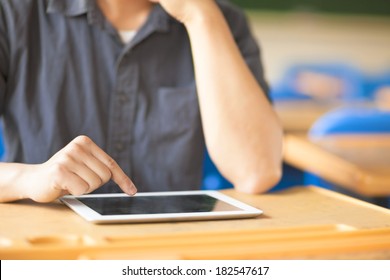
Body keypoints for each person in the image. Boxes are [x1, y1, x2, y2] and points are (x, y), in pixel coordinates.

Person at [0, 0, 283, 203]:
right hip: (47, 248)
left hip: (166, 250)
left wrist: (199, 15)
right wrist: (28, 178)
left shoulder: (223, 22)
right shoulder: (12, 13)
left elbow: (255, 172)